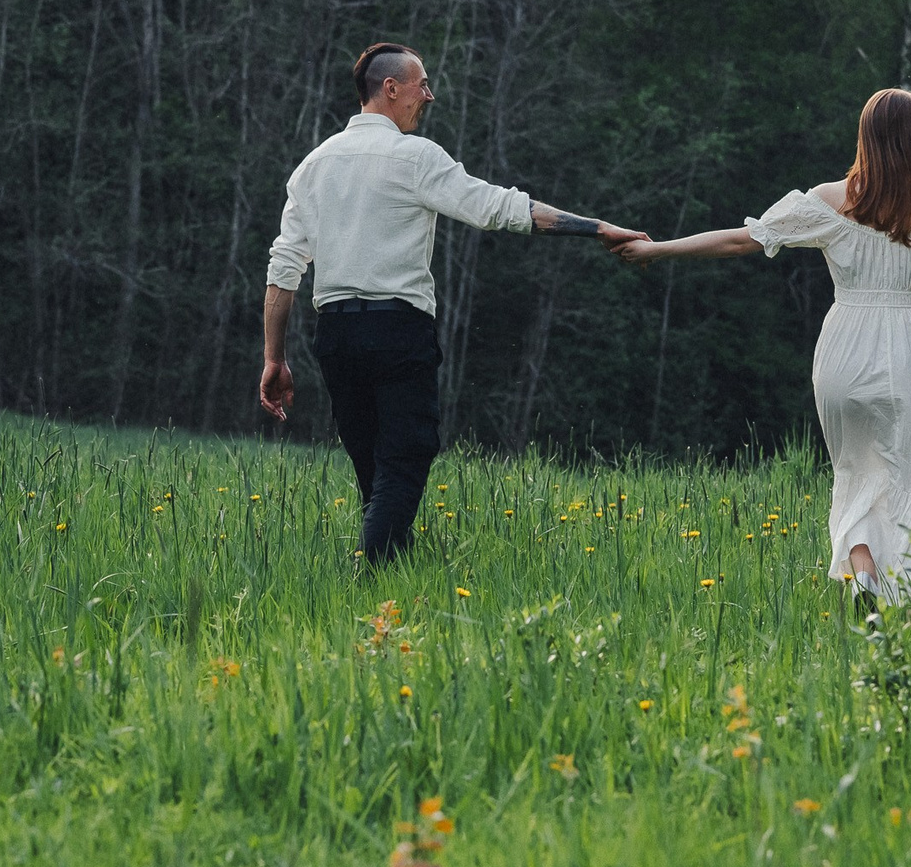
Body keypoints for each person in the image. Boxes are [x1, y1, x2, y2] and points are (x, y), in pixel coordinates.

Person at [616, 88, 911, 607]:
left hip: (842, 352)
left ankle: (865, 581)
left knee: (855, 477)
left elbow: (744, 239)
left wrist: (657, 249)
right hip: (906, 354)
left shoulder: (831, 200)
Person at [260, 43, 641, 562]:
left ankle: (388, 579)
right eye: (422, 84)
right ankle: (373, 579)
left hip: (336, 336)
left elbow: (284, 270)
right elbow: (498, 208)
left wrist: (274, 358)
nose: (429, 95)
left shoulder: (313, 166)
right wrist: (595, 228)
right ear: (390, 89)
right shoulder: (415, 157)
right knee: (405, 459)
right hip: (397, 330)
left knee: (373, 465)